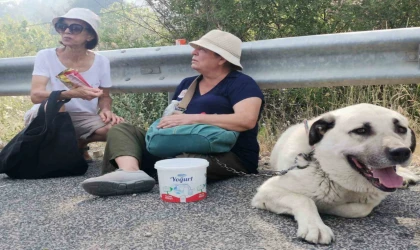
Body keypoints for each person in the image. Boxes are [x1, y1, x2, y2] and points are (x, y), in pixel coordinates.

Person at [81, 30, 264, 196]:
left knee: (187, 161)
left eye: (201, 50)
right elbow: (173, 118)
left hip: (228, 155)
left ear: (221, 58)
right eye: (195, 49)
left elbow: (246, 120)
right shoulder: (187, 84)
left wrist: (192, 119)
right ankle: (130, 173)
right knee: (122, 130)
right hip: (179, 147)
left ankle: (150, 172)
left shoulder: (242, 83)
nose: (194, 52)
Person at [28, 8, 124, 162]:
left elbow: (105, 96)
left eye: (75, 28)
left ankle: (79, 144)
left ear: (90, 35)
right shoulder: (45, 56)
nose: (66, 31)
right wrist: (72, 94)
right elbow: (36, 95)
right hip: (51, 114)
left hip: (84, 117)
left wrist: (106, 109)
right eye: (62, 26)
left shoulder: (101, 62)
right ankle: (58, 152)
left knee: (118, 128)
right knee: (58, 104)